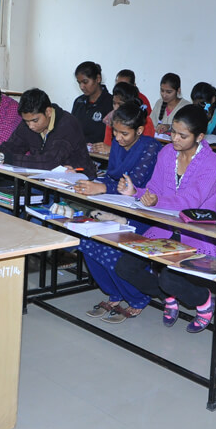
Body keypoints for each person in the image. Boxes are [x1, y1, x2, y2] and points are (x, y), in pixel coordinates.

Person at [112, 105, 216, 330]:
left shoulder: (212, 162)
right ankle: (169, 298)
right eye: (173, 132)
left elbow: (190, 202)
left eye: (183, 136)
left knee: (168, 278)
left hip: (197, 232)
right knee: (125, 267)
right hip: (165, 228)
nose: (175, 139)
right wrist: (135, 192)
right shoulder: (167, 153)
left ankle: (203, 300)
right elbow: (154, 190)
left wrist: (155, 201)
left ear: (200, 137)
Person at [73, 102, 163, 323]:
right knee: (86, 239)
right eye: (115, 132)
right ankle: (114, 292)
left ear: (139, 131)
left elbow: (137, 184)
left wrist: (103, 187)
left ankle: (137, 297)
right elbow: (113, 178)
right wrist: (89, 182)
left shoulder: (151, 147)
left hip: (143, 212)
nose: (118, 138)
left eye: (124, 133)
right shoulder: (117, 145)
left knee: (113, 248)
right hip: (117, 207)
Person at [0, 88, 97, 178]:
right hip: (43, 181)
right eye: (26, 121)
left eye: (35, 120)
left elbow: (50, 162)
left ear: (48, 112)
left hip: (77, 183)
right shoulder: (28, 123)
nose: (31, 126)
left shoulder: (67, 125)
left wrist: (2, 157)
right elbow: (12, 146)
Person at [90, 82, 154, 155]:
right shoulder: (112, 118)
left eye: (120, 104)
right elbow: (107, 145)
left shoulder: (145, 121)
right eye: (114, 103)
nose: (116, 108)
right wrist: (98, 148)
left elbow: (144, 151)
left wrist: (112, 149)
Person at [71, 61, 114, 144]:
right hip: (78, 152)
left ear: (98, 79)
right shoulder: (78, 102)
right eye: (79, 83)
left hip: (100, 155)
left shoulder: (111, 103)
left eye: (85, 82)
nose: (81, 87)